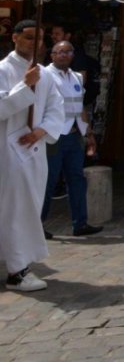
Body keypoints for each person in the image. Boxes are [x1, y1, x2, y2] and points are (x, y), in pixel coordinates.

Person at [0, 21, 63, 292]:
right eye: (27, 38)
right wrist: (25, 87)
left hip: (33, 150)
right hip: (7, 151)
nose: (33, 44)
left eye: (38, 39)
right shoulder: (3, 70)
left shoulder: (46, 75)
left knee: (29, 207)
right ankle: (17, 270)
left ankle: (18, 262)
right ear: (14, 38)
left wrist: (41, 130)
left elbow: (55, 107)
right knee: (15, 209)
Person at [40, 41, 102, 238]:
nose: (63, 55)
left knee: (76, 180)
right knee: (48, 181)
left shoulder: (76, 77)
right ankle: (37, 225)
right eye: (59, 52)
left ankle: (80, 223)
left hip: (74, 133)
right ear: (52, 55)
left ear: (73, 55)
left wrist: (88, 133)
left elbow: (80, 106)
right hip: (54, 134)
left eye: (67, 52)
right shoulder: (45, 75)